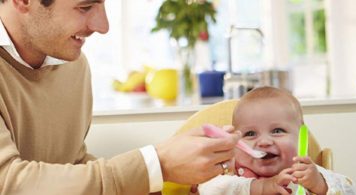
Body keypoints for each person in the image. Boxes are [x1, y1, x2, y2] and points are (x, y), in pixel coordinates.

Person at [0, 0, 241, 194]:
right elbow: (9, 183)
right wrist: (157, 164)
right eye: (85, 7)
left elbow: (71, 166)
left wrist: (158, 182)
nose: (103, 26)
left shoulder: (73, 65)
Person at [198, 86, 356, 195]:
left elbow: (350, 189)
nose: (264, 142)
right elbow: (206, 189)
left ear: (301, 136)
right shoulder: (229, 171)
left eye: (277, 131)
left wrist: (319, 185)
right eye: (250, 133)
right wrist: (260, 187)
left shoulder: (305, 173)